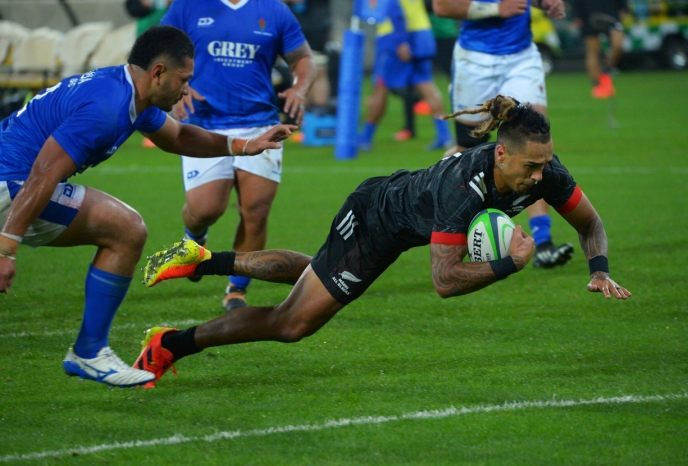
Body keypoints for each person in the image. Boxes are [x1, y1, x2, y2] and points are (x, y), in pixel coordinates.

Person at [132, 95, 632, 387]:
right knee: (292, 323)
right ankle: (169, 345)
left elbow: (590, 224)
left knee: (317, 272)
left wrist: (600, 268)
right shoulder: (464, 189)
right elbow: (443, 281)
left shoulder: (546, 173)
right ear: (500, 154)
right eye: (531, 166)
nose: (540, 176)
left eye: (546, 164)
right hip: (375, 217)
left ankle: (202, 259)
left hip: (395, 217)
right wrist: (511, 264)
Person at [0, 25, 295, 388]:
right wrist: (7, 249)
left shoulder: (127, 92)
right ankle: (90, 352)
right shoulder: (107, 107)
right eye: (183, 78)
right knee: (126, 229)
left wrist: (244, 146)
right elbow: (42, 173)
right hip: (11, 185)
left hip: (14, 179)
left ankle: (90, 350)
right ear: (158, 73)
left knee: (123, 227)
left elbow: (179, 136)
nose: (187, 88)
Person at [160, 0, 317, 312]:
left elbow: (304, 60)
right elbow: (158, 51)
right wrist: (175, 87)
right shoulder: (188, 6)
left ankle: (237, 288)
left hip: (260, 124)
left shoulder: (274, 10)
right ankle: (194, 238)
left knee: (256, 210)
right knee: (206, 209)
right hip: (202, 124)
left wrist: (300, 89)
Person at [433, 0, 574, 269]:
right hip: (474, 60)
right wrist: (497, 9)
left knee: (533, 143)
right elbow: (441, 7)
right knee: (466, 148)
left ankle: (542, 242)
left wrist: (549, 3)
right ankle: (435, 212)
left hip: (521, 57)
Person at [358, 0, 453, 152]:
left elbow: (396, 12)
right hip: (421, 34)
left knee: (380, 87)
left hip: (395, 37)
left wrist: (400, 41)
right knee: (426, 84)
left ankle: (365, 139)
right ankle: (445, 135)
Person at [571, 0, 627, 99]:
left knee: (618, 44)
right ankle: (597, 84)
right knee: (593, 51)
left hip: (611, 14)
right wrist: (576, 14)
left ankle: (606, 70)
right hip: (589, 15)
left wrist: (624, 8)